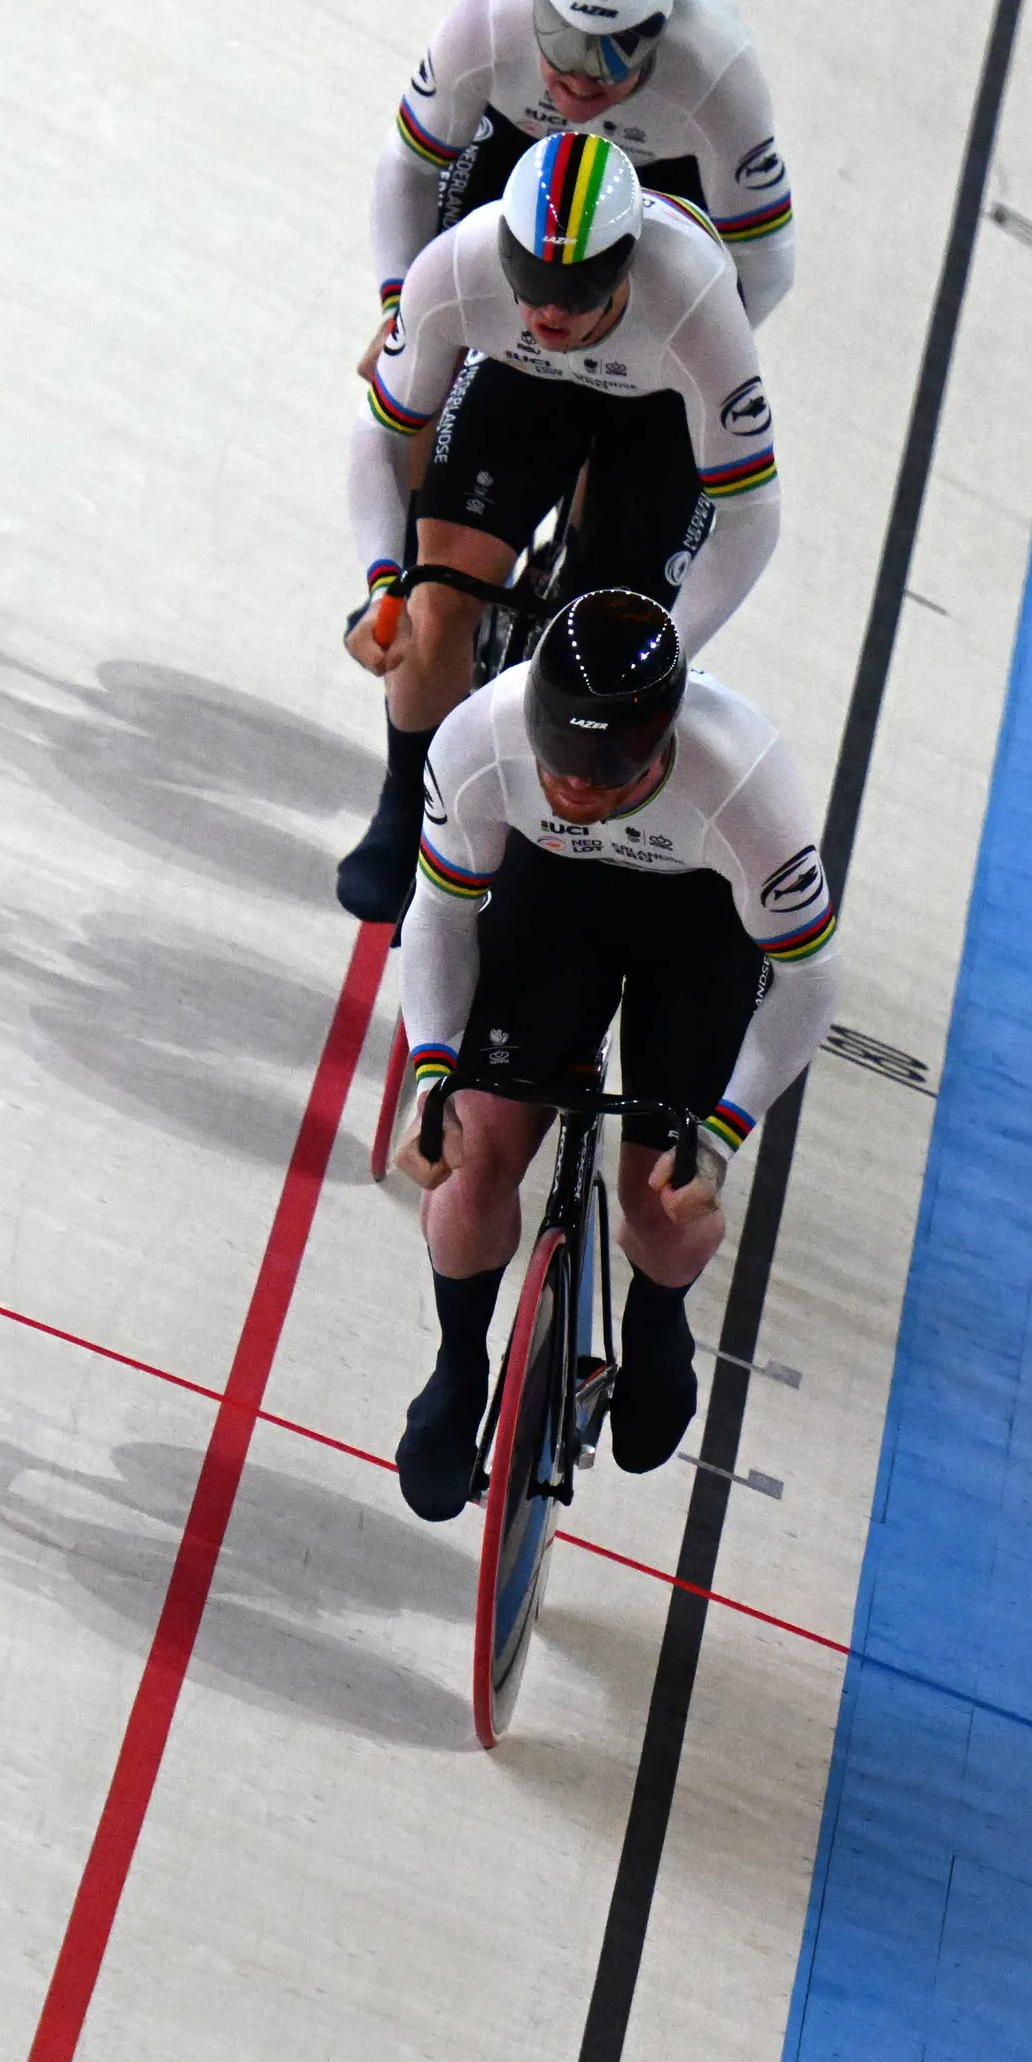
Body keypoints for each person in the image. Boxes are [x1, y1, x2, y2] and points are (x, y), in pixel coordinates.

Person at [384, 590, 841, 1521]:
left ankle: (659, 1314)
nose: (577, 789)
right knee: (469, 1171)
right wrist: (432, 1073)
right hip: (554, 904)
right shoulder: (482, 735)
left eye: (608, 774)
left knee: (666, 1206)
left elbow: (811, 985)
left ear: (666, 745)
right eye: (562, 766)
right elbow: (437, 911)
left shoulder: (750, 787)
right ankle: (457, 1362)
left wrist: (719, 1138)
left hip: (699, 928)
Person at [334, 131, 782, 918]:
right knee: (440, 593)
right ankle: (406, 803)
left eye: (576, 291)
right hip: (524, 387)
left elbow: (753, 513)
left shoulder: (697, 301)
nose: (549, 309)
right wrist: (384, 581)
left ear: (626, 266)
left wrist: (671, 654)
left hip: (660, 417)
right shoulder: (461, 265)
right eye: (532, 282)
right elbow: (381, 429)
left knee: (604, 667)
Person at [367, 0, 797, 337]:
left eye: (612, 56)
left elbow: (764, 258)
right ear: (537, 13)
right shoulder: (490, 18)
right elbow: (410, 165)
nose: (579, 80)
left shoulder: (716, 70)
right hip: (520, 144)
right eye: (562, 43)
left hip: (662, 176)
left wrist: (693, 347)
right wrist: (399, 312)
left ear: (657, 41)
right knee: (440, 314)